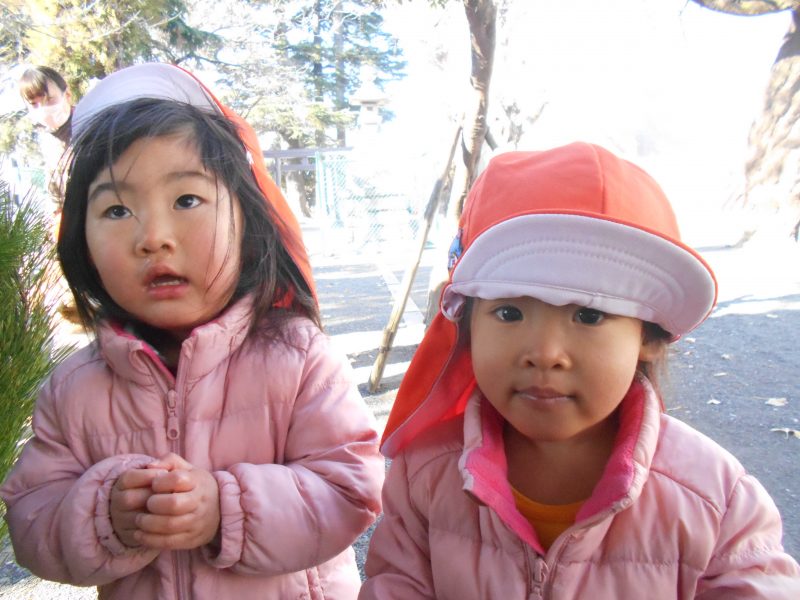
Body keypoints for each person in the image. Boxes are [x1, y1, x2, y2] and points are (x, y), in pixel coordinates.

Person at [1, 63, 384, 600]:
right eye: (116, 209)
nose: (153, 237)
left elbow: (350, 490)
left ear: (247, 220)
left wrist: (225, 509)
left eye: (186, 200)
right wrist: (103, 515)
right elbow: (31, 519)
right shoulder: (72, 389)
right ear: (80, 242)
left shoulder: (299, 358)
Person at [359, 143, 800, 598]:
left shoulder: (716, 499)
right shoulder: (424, 477)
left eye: (589, 315)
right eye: (509, 312)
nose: (545, 353)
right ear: (467, 329)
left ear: (649, 338)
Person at [19, 65, 74, 218]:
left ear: (67, 94)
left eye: (49, 100)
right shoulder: (47, 139)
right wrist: (55, 210)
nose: (43, 108)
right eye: (34, 104)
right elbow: (53, 180)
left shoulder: (89, 127)